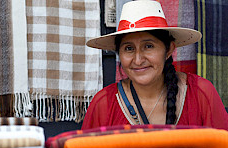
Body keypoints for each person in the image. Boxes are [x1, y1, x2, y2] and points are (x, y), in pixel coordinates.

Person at [82, 0, 228, 130]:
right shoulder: (103, 104)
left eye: (149, 46)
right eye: (128, 48)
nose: (138, 60)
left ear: (169, 49)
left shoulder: (201, 94)